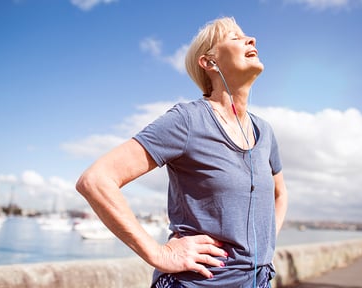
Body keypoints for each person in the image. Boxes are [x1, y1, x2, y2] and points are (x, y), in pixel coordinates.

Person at [76, 16, 288, 288]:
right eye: (235, 37)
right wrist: (158, 254)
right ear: (209, 63)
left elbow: (279, 194)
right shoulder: (187, 120)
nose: (251, 39)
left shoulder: (265, 131)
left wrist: (266, 245)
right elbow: (96, 180)